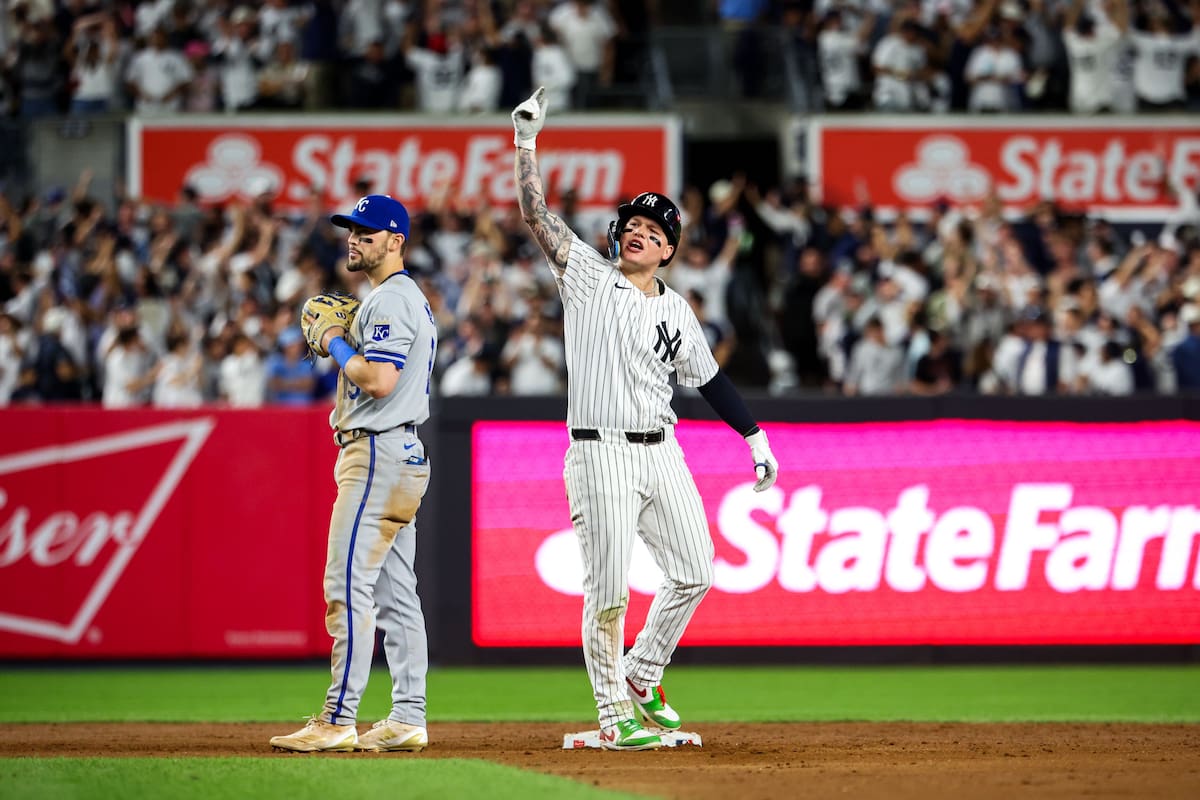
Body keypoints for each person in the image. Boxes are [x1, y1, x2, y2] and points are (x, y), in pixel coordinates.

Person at [510, 87, 780, 751]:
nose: (640, 231)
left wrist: (755, 436)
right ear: (618, 233)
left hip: (662, 450)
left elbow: (710, 379)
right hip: (598, 451)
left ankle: (643, 671)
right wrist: (526, 143)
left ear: (668, 251)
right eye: (634, 222)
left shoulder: (677, 310)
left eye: (655, 231)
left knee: (696, 570)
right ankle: (612, 714)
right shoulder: (586, 275)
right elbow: (534, 215)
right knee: (608, 592)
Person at [269, 193, 437, 753]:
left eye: (368, 232)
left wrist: (334, 341)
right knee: (397, 597)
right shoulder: (402, 298)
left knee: (346, 585)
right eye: (352, 230)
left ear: (396, 242)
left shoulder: (390, 299)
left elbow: (379, 381)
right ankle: (408, 715)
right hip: (403, 453)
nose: (355, 239)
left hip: (377, 455)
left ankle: (339, 717)